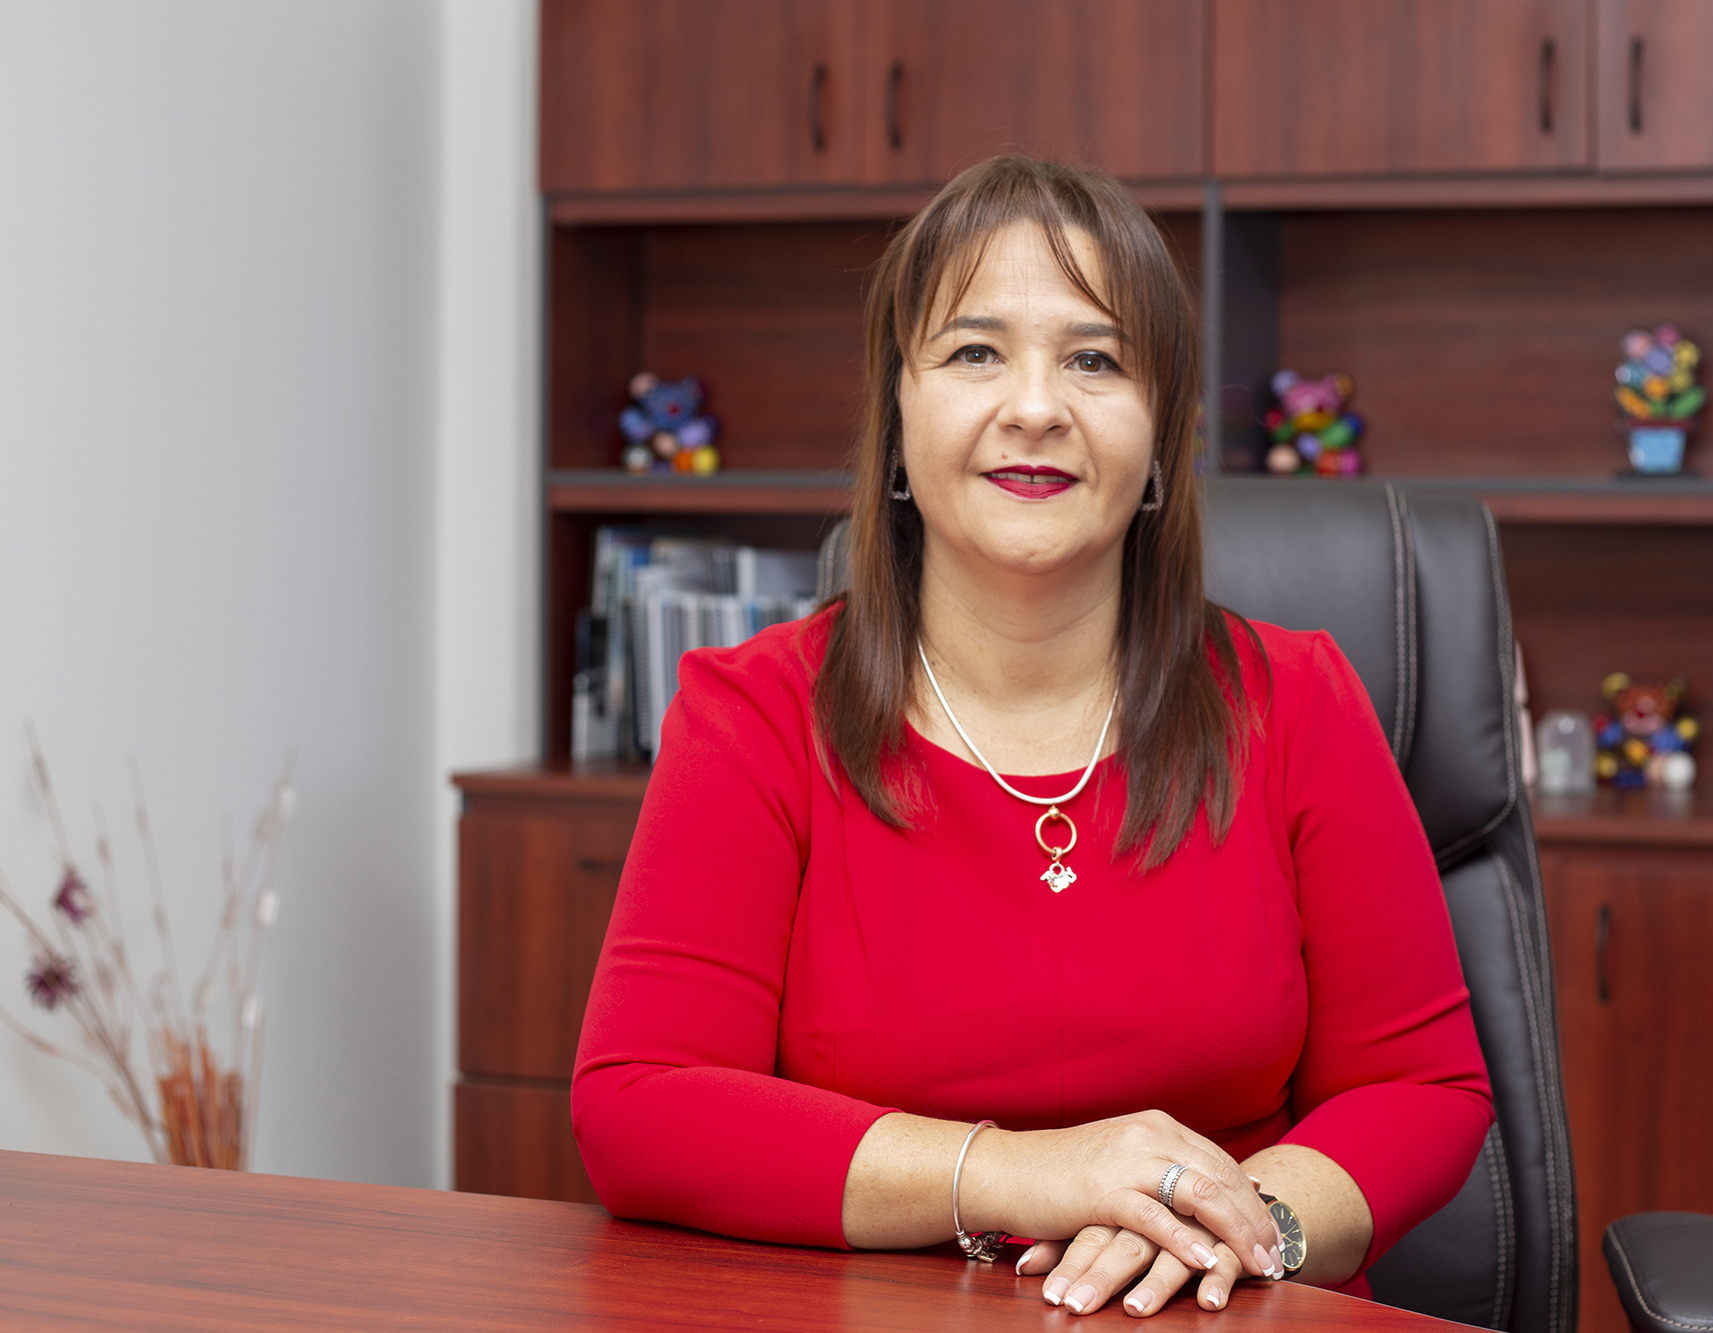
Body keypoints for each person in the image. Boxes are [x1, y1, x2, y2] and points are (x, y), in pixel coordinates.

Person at [571, 155, 1493, 1319]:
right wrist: (1028, 1173)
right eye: (974, 352)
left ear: (1160, 436)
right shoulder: (752, 713)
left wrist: (1235, 1226)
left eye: (1094, 359)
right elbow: (639, 1104)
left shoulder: (1298, 701)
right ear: (894, 418)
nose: (1036, 407)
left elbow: (1420, 1088)